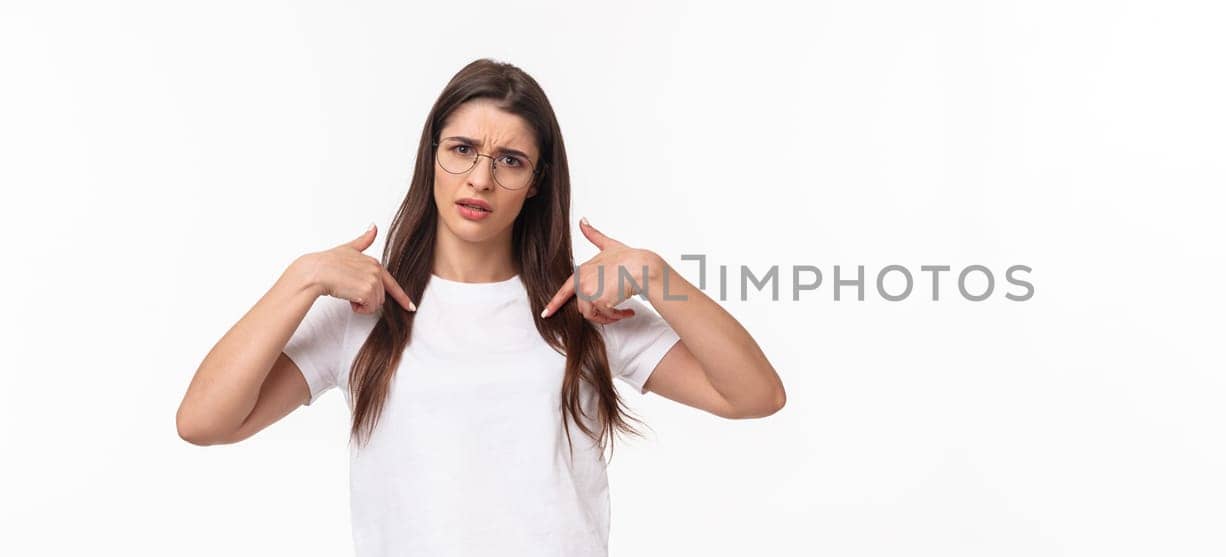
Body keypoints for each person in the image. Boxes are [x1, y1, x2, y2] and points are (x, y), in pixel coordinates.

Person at [174, 58, 786, 556]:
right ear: (432, 156)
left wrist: (658, 277)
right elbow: (204, 423)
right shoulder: (367, 315)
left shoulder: (580, 313)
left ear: (538, 181)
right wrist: (300, 280)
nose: (480, 179)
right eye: (463, 149)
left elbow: (755, 396)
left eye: (510, 161)